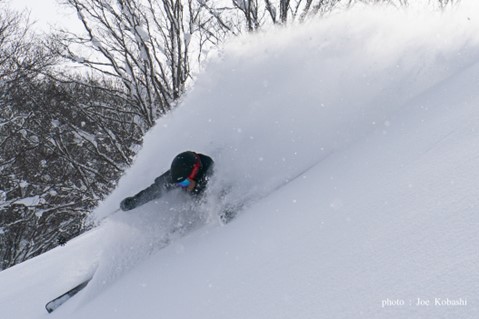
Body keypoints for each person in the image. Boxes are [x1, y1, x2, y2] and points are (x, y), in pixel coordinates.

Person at [120, 151, 214, 211]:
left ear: (195, 172)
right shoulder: (176, 176)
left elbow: (218, 194)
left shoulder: (209, 175)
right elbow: (154, 190)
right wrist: (134, 202)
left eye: (184, 183)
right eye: (180, 184)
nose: (183, 186)